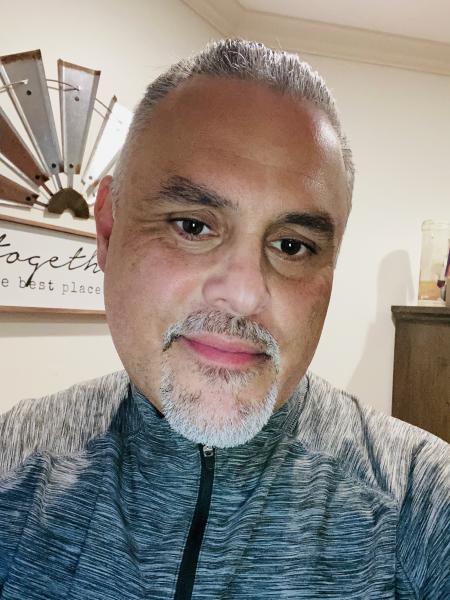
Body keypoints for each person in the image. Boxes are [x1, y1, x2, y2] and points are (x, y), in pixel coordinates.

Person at [0, 39, 448, 600]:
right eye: (192, 226)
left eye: (291, 245)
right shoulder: (13, 462)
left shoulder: (420, 502)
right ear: (109, 229)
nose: (244, 293)